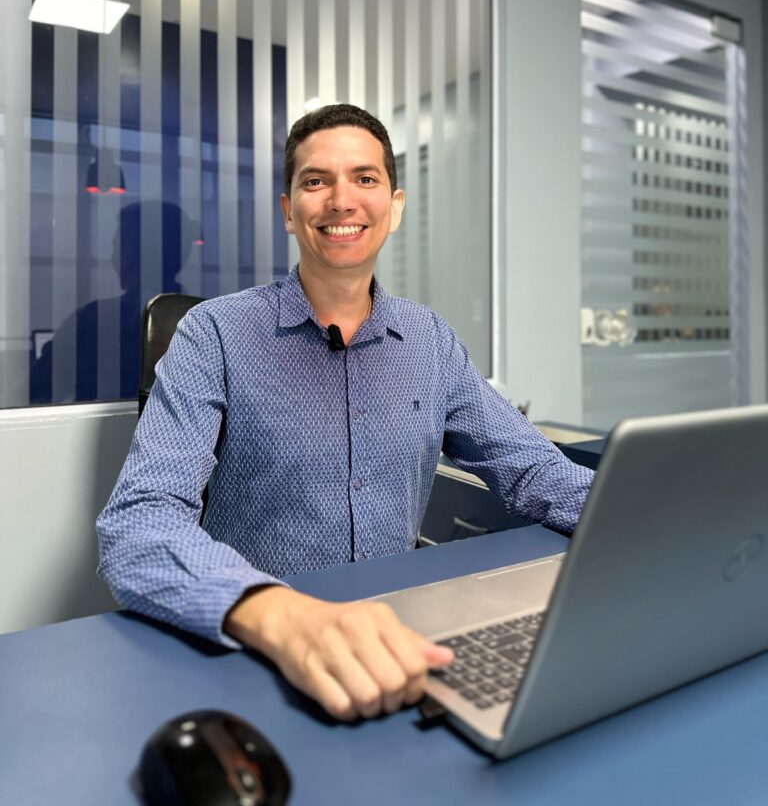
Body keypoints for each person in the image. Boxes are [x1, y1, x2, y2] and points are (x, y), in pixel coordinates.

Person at [97, 103, 594, 723]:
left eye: (364, 179)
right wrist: (279, 615)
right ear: (288, 210)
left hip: (395, 645)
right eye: (315, 181)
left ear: (396, 204)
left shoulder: (429, 341)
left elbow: (533, 469)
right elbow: (139, 523)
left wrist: (653, 507)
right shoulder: (214, 334)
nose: (341, 200)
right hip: (260, 657)